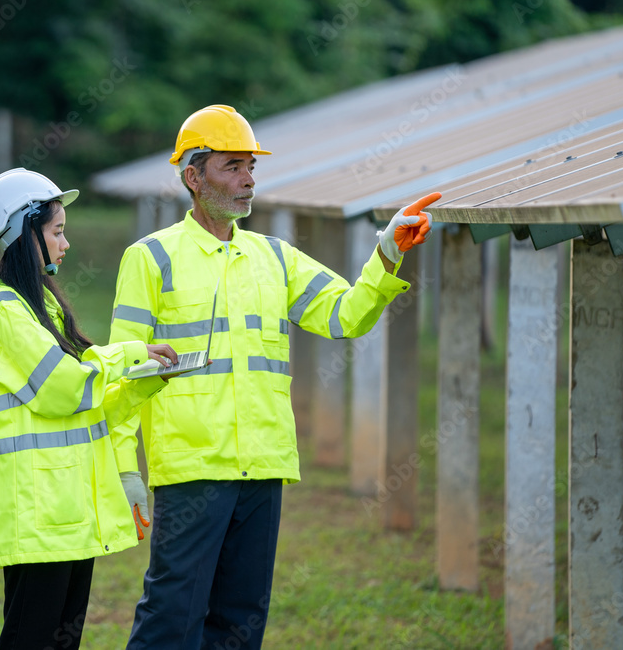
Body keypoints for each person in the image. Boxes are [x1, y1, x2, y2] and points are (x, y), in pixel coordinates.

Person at [108, 104, 437, 649]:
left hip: (263, 468)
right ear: (193, 177)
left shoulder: (274, 258)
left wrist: (385, 254)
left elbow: (344, 315)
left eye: (251, 168)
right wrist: (125, 471)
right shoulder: (151, 259)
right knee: (172, 615)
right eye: (232, 167)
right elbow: (124, 368)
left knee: (240, 622)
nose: (248, 181)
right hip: (191, 470)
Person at [0, 167, 187, 649]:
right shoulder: (3, 309)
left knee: (60, 642)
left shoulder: (40, 303)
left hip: (65, 511)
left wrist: (145, 384)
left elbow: (89, 406)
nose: (66, 244)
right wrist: (130, 354)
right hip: (37, 511)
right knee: (31, 639)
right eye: (58, 231)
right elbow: (67, 387)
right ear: (26, 232)